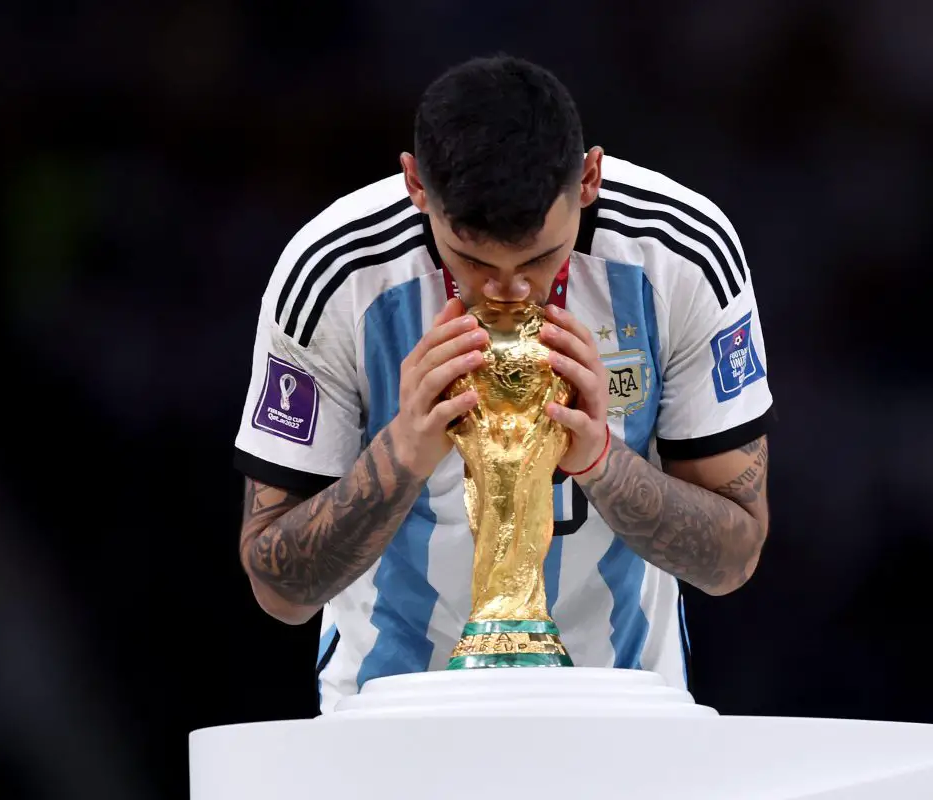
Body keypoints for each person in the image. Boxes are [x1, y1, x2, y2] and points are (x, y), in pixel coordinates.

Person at [232, 55, 774, 712]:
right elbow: (279, 590)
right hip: (390, 712)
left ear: (589, 179)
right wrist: (401, 453)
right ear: (416, 186)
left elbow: (733, 560)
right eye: (471, 260)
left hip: (625, 707)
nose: (508, 291)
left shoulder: (683, 254)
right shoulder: (332, 273)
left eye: (541, 258)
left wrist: (602, 461)